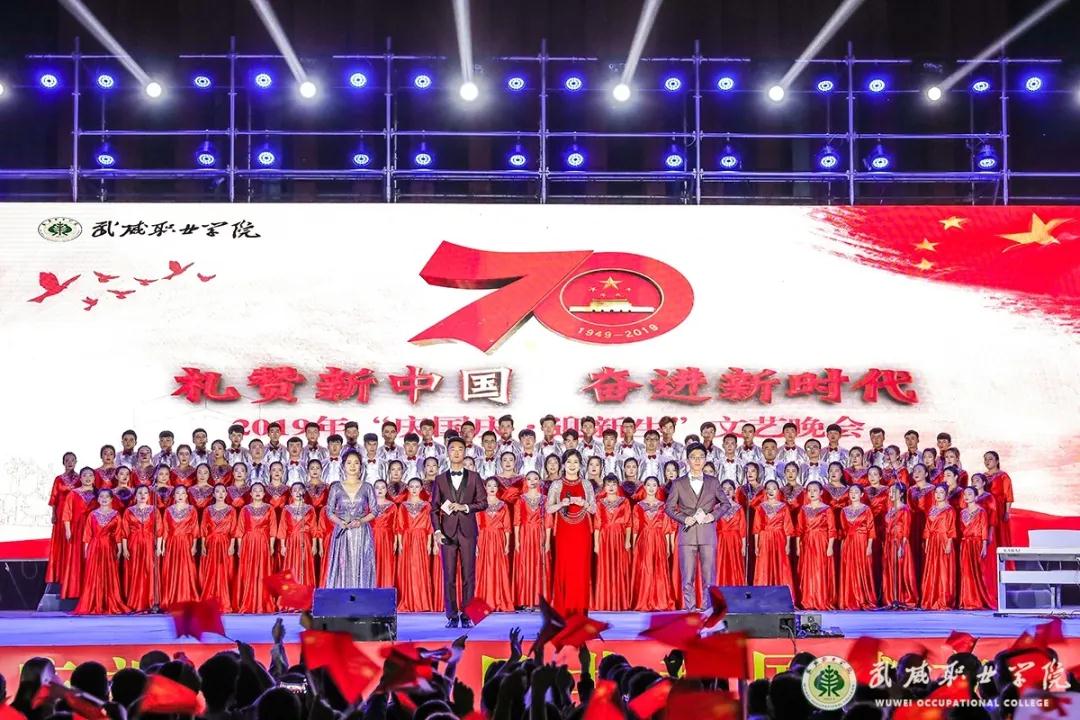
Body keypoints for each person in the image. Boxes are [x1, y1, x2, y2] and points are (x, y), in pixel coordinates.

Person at [666, 443, 727, 611]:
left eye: (701, 457)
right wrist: (684, 518)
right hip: (687, 535)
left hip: (707, 534)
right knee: (687, 577)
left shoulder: (713, 482)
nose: (697, 460)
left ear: (705, 459)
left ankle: (707, 609)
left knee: (709, 577)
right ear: (688, 460)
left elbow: (725, 504)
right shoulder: (678, 483)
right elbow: (669, 508)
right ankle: (690, 610)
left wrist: (713, 516)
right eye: (694, 457)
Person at [546, 449, 595, 617]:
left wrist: (583, 503)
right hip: (564, 531)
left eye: (575, 462)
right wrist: (561, 504)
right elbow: (548, 508)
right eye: (569, 462)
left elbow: (594, 509)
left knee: (581, 570)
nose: (572, 465)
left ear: (580, 465)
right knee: (564, 569)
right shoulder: (557, 484)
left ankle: (580, 612)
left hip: (582, 531)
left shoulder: (586, 484)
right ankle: (563, 612)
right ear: (563, 465)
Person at [324, 452, 377, 590]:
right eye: (349, 463)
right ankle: (341, 597)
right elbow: (329, 511)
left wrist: (361, 521)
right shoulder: (336, 487)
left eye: (356, 463)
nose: (352, 466)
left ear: (361, 466)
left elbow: (375, 511)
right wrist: (340, 522)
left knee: (361, 564)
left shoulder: (367, 487)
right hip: (343, 532)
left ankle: (363, 597)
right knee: (343, 564)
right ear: (343, 466)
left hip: (362, 533)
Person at [74, 489, 128, 615]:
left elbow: (119, 533)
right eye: (101, 496)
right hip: (94, 547)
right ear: (98, 499)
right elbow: (87, 534)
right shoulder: (92, 514)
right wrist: (86, 551)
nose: (104, 499)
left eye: (107, 497)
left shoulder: (116, 514)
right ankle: (92, 603)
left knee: (109, 574)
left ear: (111, 499)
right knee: (94, 574)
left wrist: (119, 549)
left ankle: (110, 603)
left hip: (109, 547)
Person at [631, 477, 674, 612]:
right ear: (644, 487)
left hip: (659, 539)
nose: (651, 488)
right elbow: (635, 528)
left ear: (658, 488)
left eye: (654, 485)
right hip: (643, 540)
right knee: (645, 570)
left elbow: (667, 527)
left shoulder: (663, 506)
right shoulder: (638, 506)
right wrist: (634, 545)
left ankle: (660, 601)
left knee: (659, 569)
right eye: (648, 485)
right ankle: (643, 601)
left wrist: (668, 546)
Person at [234, 482, 277, 613]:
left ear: (264, 494)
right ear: (251, 494)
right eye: (255, 490)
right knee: (248, 571)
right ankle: (248, 602)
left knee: (263, 570)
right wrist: (240, 547)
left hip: (263, 542)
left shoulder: (269, 508)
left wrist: (271, 546)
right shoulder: (245, 509)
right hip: (248, 542)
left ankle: (263, 603)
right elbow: (240, 530)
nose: (257, 492)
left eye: (260, 490)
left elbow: (273, 528)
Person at [593, 475, 632, 611]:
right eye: (608, 484)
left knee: (619, 568)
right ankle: (605, 602)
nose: (611, 487)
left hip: (619, 536)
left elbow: (628, 523)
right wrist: (596, 544)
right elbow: (597, 525)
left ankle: (619, 602)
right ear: (604, 487)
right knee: (605, 568)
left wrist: (627, 541)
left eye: (614, 484)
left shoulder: (624, 502)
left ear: (618, 486)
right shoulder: (599, 503)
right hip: (604, 538)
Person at [795, 481, 836, 610]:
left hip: (821, 541)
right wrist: (798, 546)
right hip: (807, 542)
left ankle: (821, 599)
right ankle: (808, 600)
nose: (812, 493)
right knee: (807, 571)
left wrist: (830, 547)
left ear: (821, 492)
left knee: (820, 570)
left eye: (815, 490)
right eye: (809, 490)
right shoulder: (803, 509)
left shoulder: (827, 509)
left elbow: (832, 529)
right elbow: (799, 529)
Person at [396, 478, 435, 612]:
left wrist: (429, 543)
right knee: (407, 570)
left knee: (421, 569)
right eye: (411, 486)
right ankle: (407, 601)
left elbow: (430, 526)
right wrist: (400, 543)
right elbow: (399, 526)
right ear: (407, 488)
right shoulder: (403, 505)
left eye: (417, 486)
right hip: (407, 539)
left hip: (421, 539)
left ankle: (422, 603)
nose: (414, 489)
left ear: (421, 488)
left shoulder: (427, 505)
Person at [60, 468, 99, 599]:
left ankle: (92, 591)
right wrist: (68, 530)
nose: (88, 478)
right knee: (77, 558)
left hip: (94, 531)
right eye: (85, 475)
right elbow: (67, 512)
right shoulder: (73, 493)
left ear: (94, 478)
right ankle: (75, 591)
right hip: (77, 530)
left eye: (90, 475)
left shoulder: (99, 494)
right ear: (80, 478)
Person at [159, 486, 200, 609]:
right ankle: (171, 598)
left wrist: (194, 546)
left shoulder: (192, 509)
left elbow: (195, 528)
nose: (180, 495)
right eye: (178, 493)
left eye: (183, 493)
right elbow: (165, 529)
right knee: (171, 569)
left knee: (187, 569)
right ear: (174, 496)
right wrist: (163, 546)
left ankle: (187, 597)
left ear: (187, 496)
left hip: (186, 542)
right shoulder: (168, 510)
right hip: (172, 543)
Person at [476, 479, 513, 612]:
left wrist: (507, 544)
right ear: (485, 487)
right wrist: (476, 544)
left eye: (495, 486)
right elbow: (476, 525)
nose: (492, 488)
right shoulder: (480, 505)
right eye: (489, 485)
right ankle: (483, 602)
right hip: (483, 538)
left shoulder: (503, 505)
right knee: (483, 569)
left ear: (498, 488)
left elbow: (507, 526)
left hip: (498, 538)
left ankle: (500, 601)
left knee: (499, 568)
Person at [752, 480, 794, 599]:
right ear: (765, 491)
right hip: (764, 538)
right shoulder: (760, 507)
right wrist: (756, 545)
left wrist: (788, 545)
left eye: (774, 488)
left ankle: (783, 597)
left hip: (779, 538)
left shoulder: (784, 507)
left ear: (778, 491)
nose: (771, 491)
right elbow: (756, 527)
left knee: (781, 565)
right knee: (764, 565)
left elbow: (788, 527)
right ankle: (763, 596)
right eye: (768, 488)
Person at [837, 485, 877, 610]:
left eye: (856, 492)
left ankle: (864, 598)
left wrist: (869, 546)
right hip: (849, 543)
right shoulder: (844, 511)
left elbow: (871, 528)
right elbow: (843, 531)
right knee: (849, 570)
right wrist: (842, 546)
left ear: (862, 494)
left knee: (863, 569)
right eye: (851, 492)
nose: (853, 494)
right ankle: (850, 599)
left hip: (862, 542)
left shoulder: (866, 509)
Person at [278, 483, 320, 601]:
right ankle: (290, 599)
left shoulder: (310, 509)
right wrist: (282, 545)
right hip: (291, 541)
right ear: (291, 493)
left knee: (305, 568)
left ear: (304, 492)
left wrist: (314, 545)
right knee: (291, 568)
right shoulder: (286, 509)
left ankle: (305, 599)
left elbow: (314, 528)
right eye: (295, 490)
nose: (297, 492)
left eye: (300, 489)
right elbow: (283, 527)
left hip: (305, 541)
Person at [513, 471, 548, 611]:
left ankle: (539, 601)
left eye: (535, 478)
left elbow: (548, 521)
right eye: (529, 479)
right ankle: (526, 600)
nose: (532, 481)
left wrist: (547, 540)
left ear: (539, 480)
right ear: (525, 482)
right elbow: (517, 521)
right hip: (525, 534)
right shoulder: (520, 500)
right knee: (525, 565)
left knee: (539, 565)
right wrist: (517, 541)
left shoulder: (545, 499)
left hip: (540, 533)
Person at [200, 484, 236, 613]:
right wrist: (203, 545)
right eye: (217, 491)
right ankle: (209, 601)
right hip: (211, 543)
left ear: (226, 494)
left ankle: (224, 602)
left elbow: (233, 529)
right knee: (211, 572)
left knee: (224, 571)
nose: (220, 494)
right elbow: (203, 527)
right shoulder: (207, 510)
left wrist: (232, 545)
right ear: (213, 494)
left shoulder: (231, 510)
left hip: (225, 542)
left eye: (223, 491)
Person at [122, 486, 159, 613]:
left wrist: (158, 547)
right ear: (135, 495)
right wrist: (125, 548)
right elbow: (124, 531)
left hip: (149, 543)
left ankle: (150, 602)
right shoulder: (129, 511)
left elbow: (159, 529)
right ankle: (134, 602)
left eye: (145, 493)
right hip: (133, 544)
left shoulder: (154, 510)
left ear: (149, 495)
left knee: (149, 570)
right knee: (134, 571)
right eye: (140, 493)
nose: (143, 495)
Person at [881, 483, 918, 609]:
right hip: (890, 542)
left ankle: (904, 598)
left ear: (901, 494)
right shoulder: (891, 509)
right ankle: (891, 598)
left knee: (902, 570)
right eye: (890, 491)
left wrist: (902, 546)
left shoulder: (905, 509)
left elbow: (906, 529)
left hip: (900, 543)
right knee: (890, 570)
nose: (891, 494)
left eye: (894, 491)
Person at [921, 485, 957, 610]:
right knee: (932, 569)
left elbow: (951, 528)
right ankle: (931, 599)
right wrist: (927, 543)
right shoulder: (932, 509)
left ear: (946, 494)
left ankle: (943, 599)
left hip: (944, 540)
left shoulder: (950, 510)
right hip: (932, 541)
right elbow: (927, 527)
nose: (938, 494)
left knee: (943, 570)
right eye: (936, 492)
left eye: (941, 492)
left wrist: (949, 543)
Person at [46, 452, 80, 586]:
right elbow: (54, 498)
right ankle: (59, 575)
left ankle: (72, 574)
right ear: (63, 463)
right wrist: (54, 514)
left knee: (73, 542)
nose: (70, 462)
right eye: (67, 460)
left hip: (75, 514)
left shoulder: (81, 478)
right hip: (60, 514)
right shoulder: (58, 479)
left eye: (72, 460)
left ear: (76, 462)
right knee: (60, 542)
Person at [958, 486, 994, 610]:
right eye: (965, 494)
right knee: (966, 572)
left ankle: (978, 599)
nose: (967, 496)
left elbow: (984, 528)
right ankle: (967, 600)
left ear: (976, 496)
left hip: (977, 544)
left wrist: (984, 545)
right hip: (965, 544)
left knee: (977, 572)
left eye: (970, 494)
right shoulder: (962, 512)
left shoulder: (981, 511)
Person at [715, 479, 747, 586]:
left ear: (734, 491)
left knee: (735, 564)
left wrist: (743, 546)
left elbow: (742, 528)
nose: (727, 491)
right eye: (724, 489)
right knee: (720, 564)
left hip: (735, 540)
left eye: (730, 489)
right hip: (720, 540)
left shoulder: (739, 508)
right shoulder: (716, 508)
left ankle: (735, 589)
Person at [370, 480, 397, 590]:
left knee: (386, 563)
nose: (380, 490)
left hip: (387, 538)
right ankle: (371, 590)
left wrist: (396, 541)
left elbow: (396, 525)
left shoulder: (392, 506)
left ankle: (386, 590)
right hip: (371, 537)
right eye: (377, 487)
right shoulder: (368, 505)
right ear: (373, 490)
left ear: (386, 490)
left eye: (383, 487)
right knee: (372, 563)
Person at [983, 451, 1013, 547]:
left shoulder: (1003, 476)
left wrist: (1007, 512)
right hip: (986, 508)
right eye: (985, 459)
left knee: (1000, 533)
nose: (987, 461)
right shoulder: (983, 476)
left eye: (990, 459)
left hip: (999, 509)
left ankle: (1001, 555)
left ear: (997, 461)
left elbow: (1008, 495)